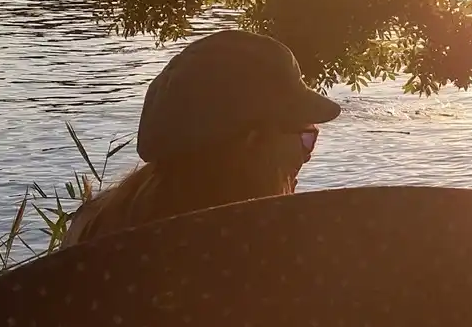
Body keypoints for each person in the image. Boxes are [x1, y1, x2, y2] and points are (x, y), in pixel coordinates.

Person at [63, 28, 340, 246]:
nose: (308, 154)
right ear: (253, 144)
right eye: (306, 137)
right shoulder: (266, 251)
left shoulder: (94, 225)